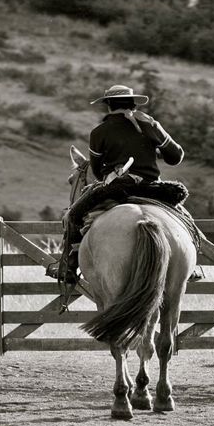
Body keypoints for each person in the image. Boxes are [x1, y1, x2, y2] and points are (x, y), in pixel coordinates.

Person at [50, 84, 191, 285]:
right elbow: (176, 157)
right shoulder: (150, 125)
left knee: (73, 216)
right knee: (185, 219)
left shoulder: (99, 132)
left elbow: (98, 171)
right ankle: (192, 265)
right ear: (133, 103)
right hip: (153, 190)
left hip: (114, 189)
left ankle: (68, 266)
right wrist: (154, 130)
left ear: (108, 105)